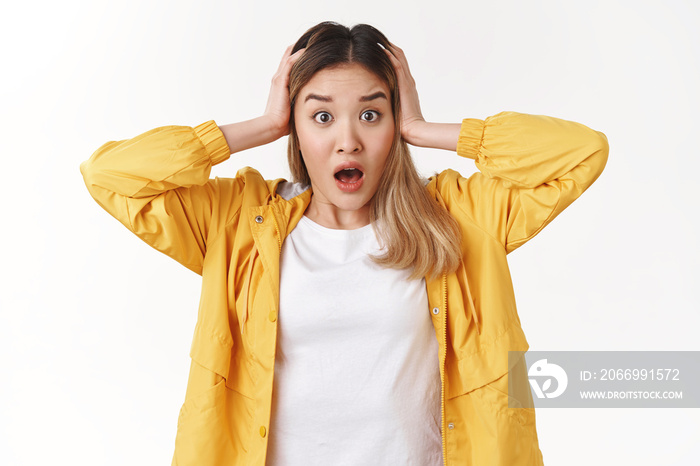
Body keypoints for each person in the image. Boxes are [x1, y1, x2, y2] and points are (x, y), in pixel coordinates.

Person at [80, 21, 608, 466]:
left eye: (372, 114)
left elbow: (581, 152)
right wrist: (262, 125)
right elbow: (110, 175)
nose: (348, 139)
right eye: (322, 116)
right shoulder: (239, 223)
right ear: (297, 129)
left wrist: (425, 129)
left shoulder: (458, 219)